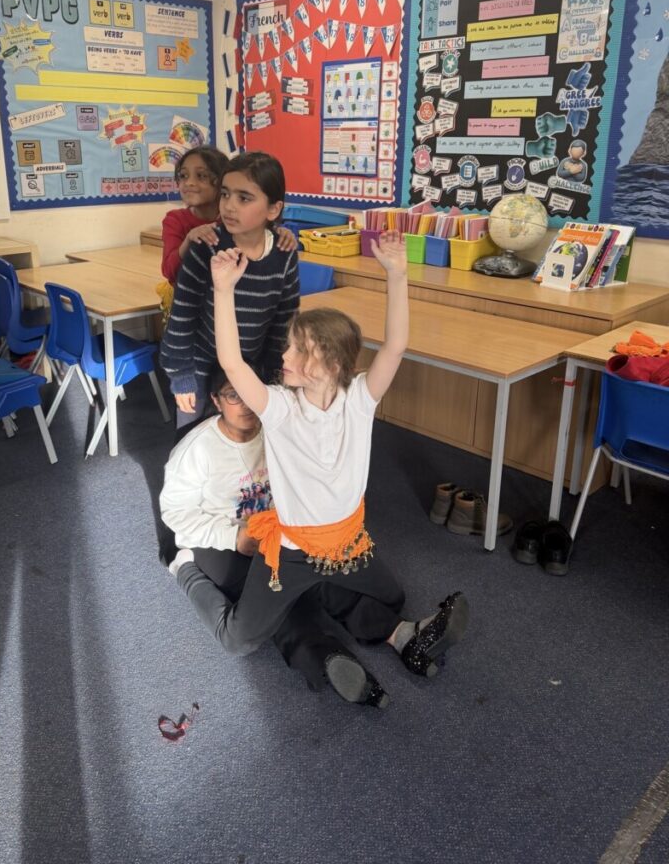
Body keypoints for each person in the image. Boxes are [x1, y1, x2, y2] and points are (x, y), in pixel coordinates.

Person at [169, 230, 469, 683]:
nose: (284, 355)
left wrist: (397, 274)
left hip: (346, 544)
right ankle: (187, 571)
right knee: (239, 639)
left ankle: (375, 623)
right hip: (292, 552)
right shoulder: (279, 407)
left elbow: (395, 346)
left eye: (298, 349)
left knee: (394, 598)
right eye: (288, 346)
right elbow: (232, 363)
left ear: (332, 365)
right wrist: (223, 289)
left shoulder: (359, 398)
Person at [160, 364, 394, 707]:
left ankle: (394, 630)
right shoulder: (195, 451)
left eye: (249, 394)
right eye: (232, 396)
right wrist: (235, 538)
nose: (245, 405)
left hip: (274, 531)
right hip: (220, 538)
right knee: (267, 600)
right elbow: (176, 515)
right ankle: (326, 660)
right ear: (216, 401)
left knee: (317, 576)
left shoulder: (277, 432)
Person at [159, 152, 300, 429]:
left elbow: (284, 322)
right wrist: (181, 375)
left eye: (244, 198)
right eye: (225, 194)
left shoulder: (284, 253)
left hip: (251, 368)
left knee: (248, 438)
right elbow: (182, 317)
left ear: (273, 209)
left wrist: (275, 375)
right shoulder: (206, 247)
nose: (229, 206)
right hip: (200, 366)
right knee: (192, 437)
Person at [161, 146, 298, 286]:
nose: (189, 183)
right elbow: (169, 271)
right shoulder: (175, 220)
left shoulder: (233, 220)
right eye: (183, 176)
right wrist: (189, 240)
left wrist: (279, 233)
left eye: (201, 176)